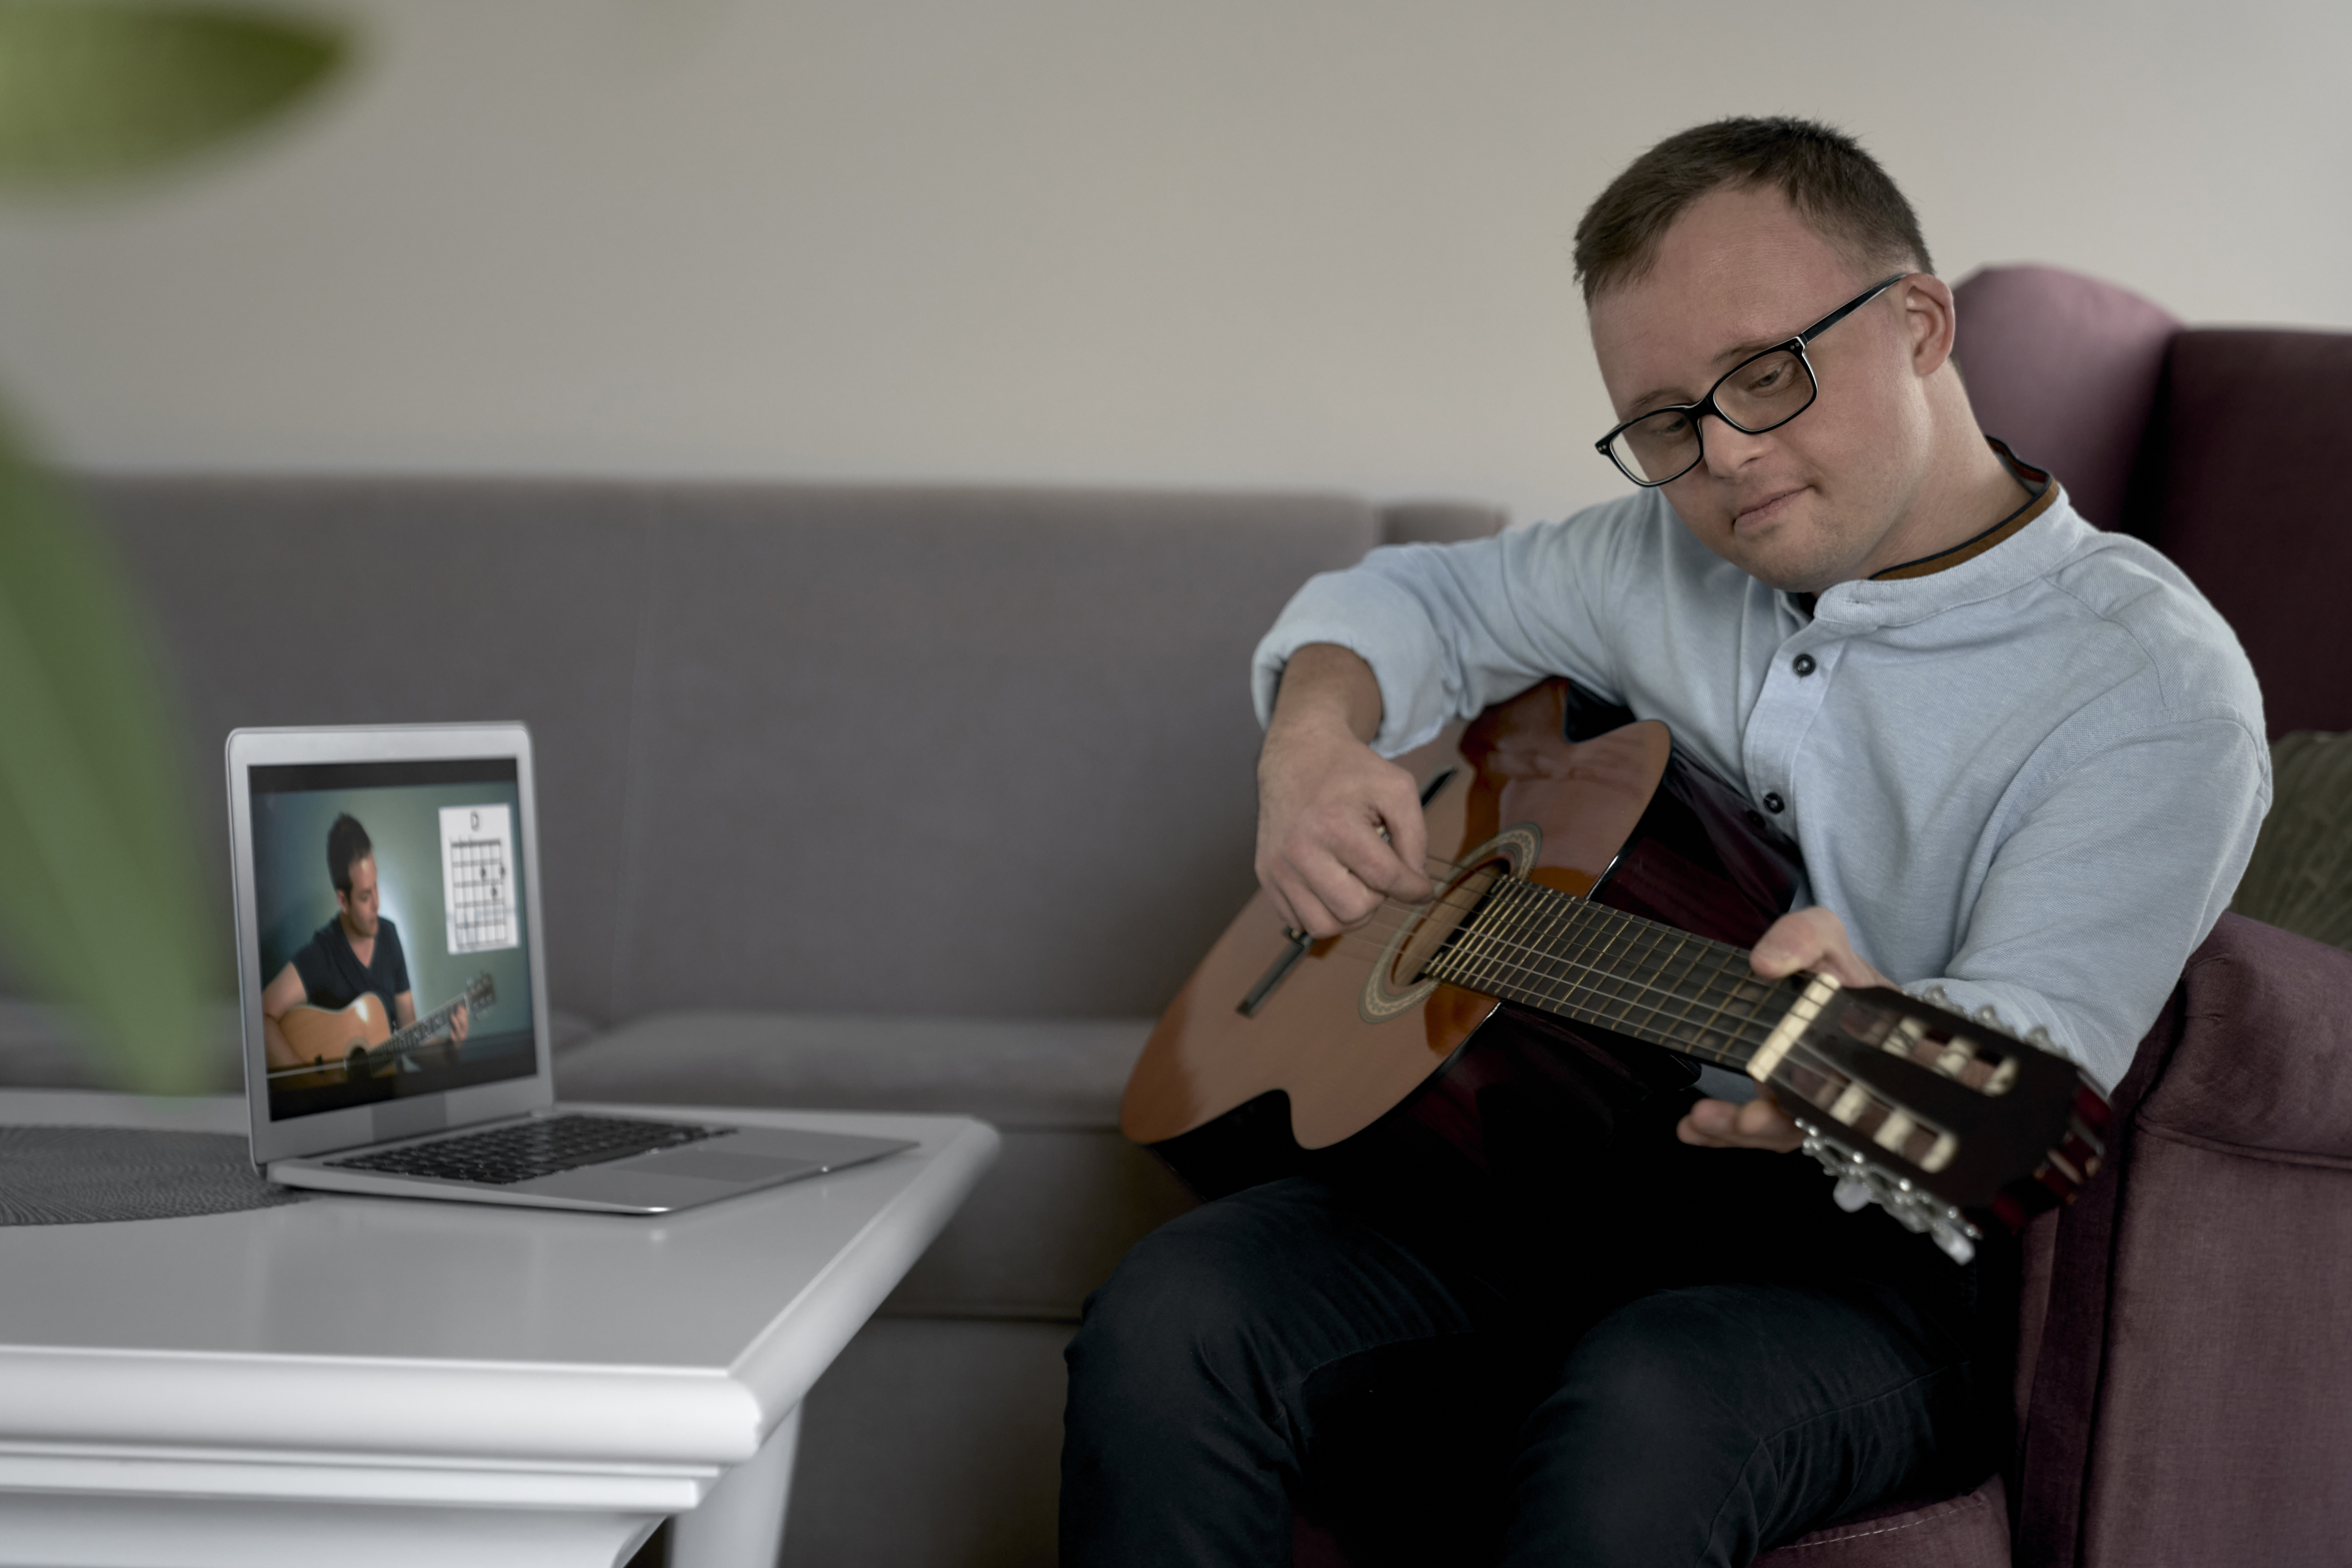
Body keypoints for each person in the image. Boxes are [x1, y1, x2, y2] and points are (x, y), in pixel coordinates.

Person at [1060, 118, 2268, 1566]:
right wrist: (1313, 745)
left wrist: (1858, 1047)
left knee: (1652, 1397)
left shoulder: (2147, 683)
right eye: (1663, 424)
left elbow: (2025, 1060)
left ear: (1921, 325)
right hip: (1554, 1178)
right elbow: (1417, 599)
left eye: (1768, 373)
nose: (1726, 459)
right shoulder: (1660, 553)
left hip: (1867, 1268)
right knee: (1178, 1308)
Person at [260, 813, 468, 1073]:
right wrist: (308, 1084)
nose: (377, 904)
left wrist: (452, 1049)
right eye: (365, 896)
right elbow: (261, 1016)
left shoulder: (390, 937)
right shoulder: (323, 953)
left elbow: (411, 1041)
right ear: (343, 901)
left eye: (377, 887)